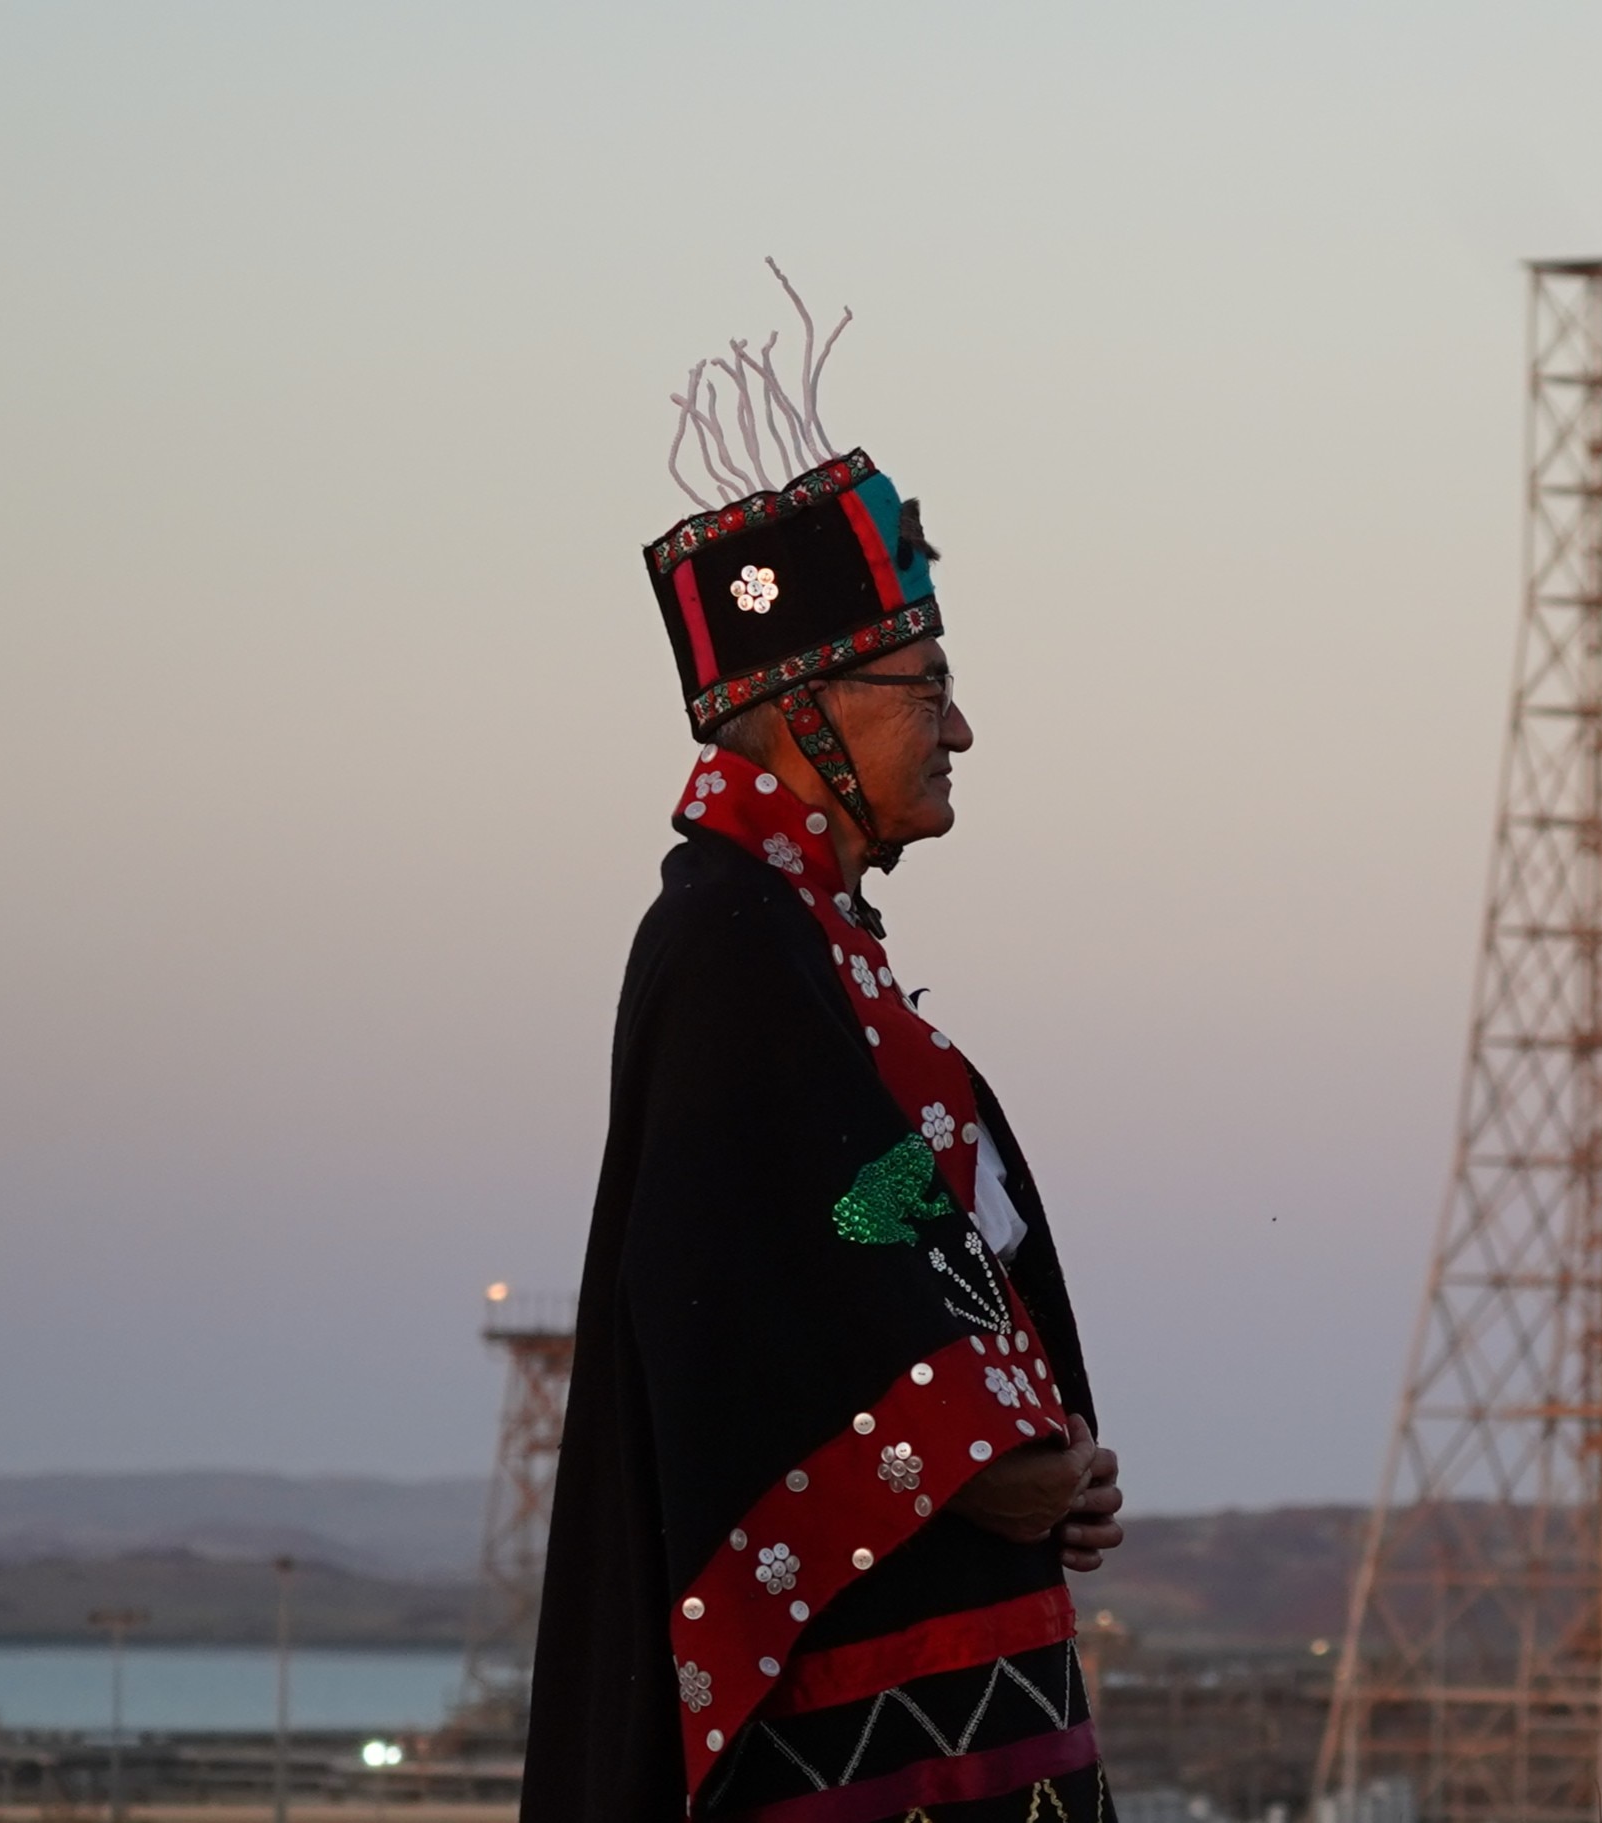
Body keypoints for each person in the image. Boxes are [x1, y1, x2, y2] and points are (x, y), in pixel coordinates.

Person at [525, 266, 1124, 1823]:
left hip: (955, 1688)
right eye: (928, 687)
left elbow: (870, 1223)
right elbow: (731, 1294)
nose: (960, 728)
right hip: (855, 1737)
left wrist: (1043, 1433)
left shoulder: (817, 959)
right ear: (805, 713)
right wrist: (976, 1458)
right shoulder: (726, 945)